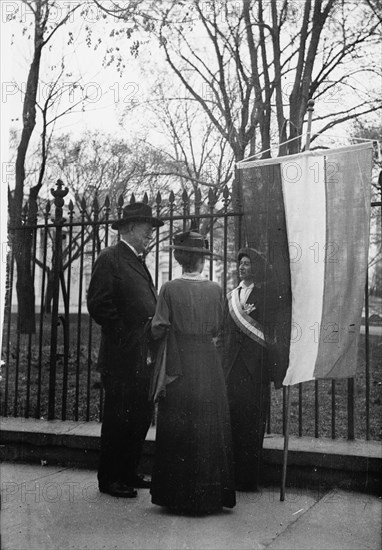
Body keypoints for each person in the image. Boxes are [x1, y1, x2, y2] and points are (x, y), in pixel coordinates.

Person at [149, 231, 236, 515]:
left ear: (179, 258)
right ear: (202, 259)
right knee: (209, 424)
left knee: (178, 423)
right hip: (208, 364)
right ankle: (208, 494)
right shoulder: (215, 289)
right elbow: (220, 326)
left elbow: (159, 327)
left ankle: (176, 495)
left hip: (179, 362)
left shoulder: (169, 289)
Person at [87, 202, 163, 498]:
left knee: (140, 415)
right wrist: (127, 335)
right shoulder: (110, 258)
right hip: (121, 355)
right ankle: (110, 479)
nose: (149, 238)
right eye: (146, 232)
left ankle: (128, 472)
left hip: (142, 354)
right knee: (119, 417)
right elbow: (99, 303)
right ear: (129, 229)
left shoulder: (136, 260)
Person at [222, 247, 271, 491]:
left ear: (256, 268)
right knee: (232, 422)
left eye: (247, 264)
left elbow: (273, 333)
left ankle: (248, 479)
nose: (242, 267)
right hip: (232, 370)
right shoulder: (231, 296)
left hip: (254, 370)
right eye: (240, 263)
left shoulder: (265, 296)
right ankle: (230, 475)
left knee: (252, 424)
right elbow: (223, 333)